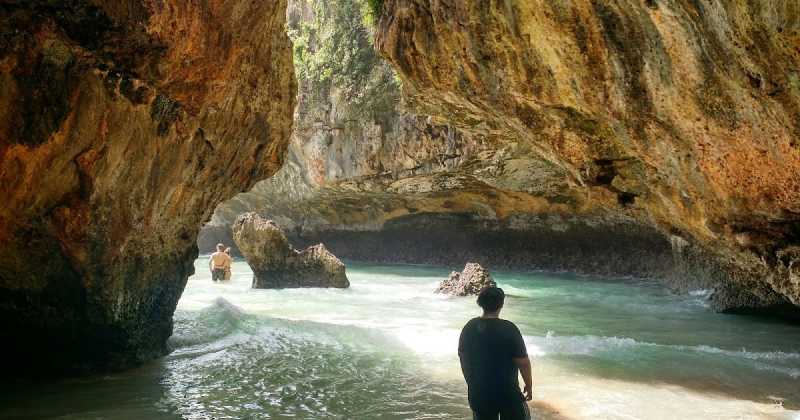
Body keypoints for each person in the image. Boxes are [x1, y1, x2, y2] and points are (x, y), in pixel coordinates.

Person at [458, 286, 533, 420]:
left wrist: (472, 383)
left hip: (479, 394)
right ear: (501, 304)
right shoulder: (509, 328)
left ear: (480, 302)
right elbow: (523, 362)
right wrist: (529, 385)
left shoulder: (469, 327)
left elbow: (463, 357)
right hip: (508, 394)